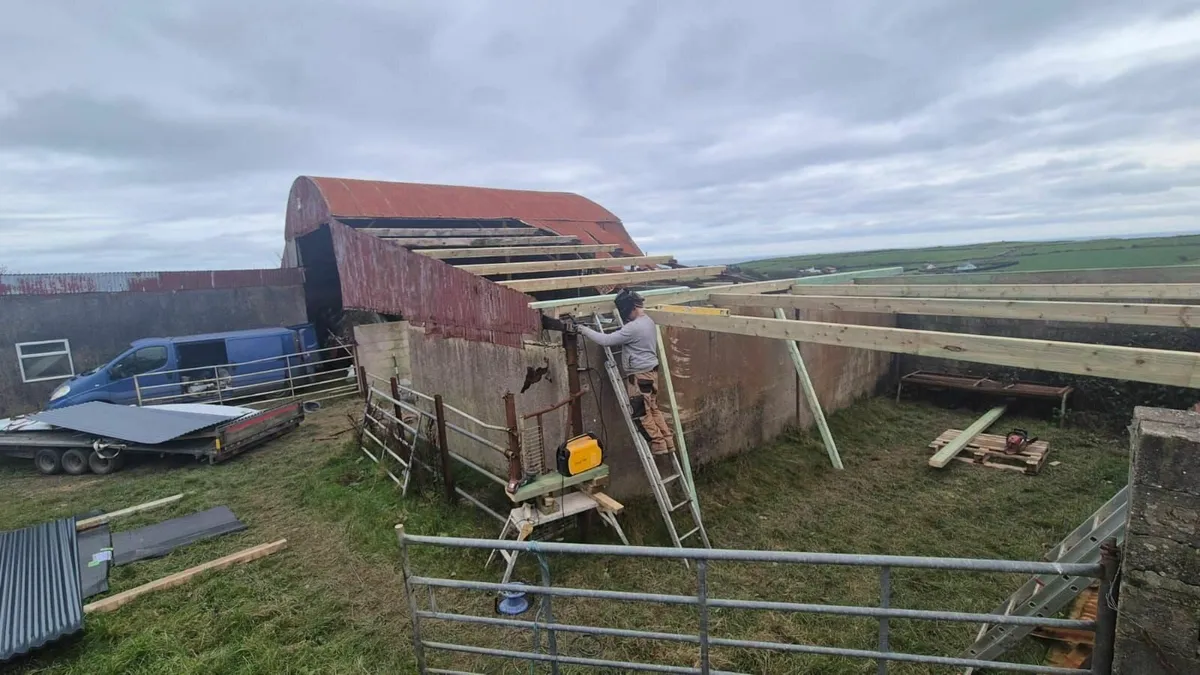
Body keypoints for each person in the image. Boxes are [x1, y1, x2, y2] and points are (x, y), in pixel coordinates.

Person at [573, 289, 676, 455]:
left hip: (640, 377)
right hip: (651, 373)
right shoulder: (648, 321)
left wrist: (583, 330)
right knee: (653, 409)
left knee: (641, 413)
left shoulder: (633, 328)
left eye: (626, 312)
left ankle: (658, 444)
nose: (625, 316)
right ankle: (668, 441)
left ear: (633, 308)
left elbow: (606, 340)